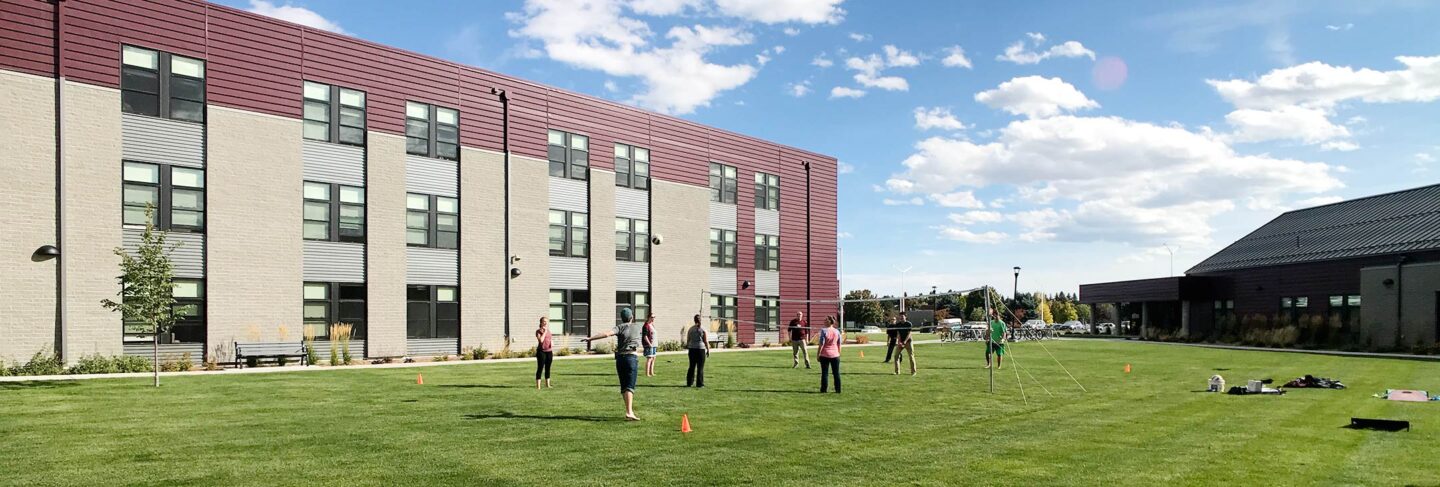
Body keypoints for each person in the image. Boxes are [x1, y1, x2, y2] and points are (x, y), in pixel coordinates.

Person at [583, 307, 644, 421]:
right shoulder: (636, 326)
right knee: (630, 386)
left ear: (622, 318)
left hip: (620, 358)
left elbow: (606, 334)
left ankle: (628, 410)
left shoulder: (619, 327)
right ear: (632, 317)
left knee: (624, 385)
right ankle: (629, 412)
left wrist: (590, 338)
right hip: (631, 357)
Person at [817, 316, 842, 393]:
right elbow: (839, 344)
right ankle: (838, 389)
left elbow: (821, 344)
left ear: (829, 322)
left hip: (825, 354)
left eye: (825, 320)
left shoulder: (824, 331)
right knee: (836, 373)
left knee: (825, 373)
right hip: (835, 355)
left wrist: (818, 354)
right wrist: (838, 353)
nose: (824, 321)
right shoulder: (837, 331)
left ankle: (824, 389)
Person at [685, 314, 710, 388]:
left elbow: (688, 340)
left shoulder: (690, 329)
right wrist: (708, 350)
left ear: (694, 320)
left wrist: (689, 346)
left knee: (691, 366)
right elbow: (705, 341)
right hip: (700, 349)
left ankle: (689, 382)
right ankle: (699, 383)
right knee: (700, 367)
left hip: (692, 349)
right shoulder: (703, 329)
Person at [892, 311, 916, 375]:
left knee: (911, 356)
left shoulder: (909, 324)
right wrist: (899, 342)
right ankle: (897, 372)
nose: (901, 317)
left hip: (908, 342)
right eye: (900, 316)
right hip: (901, 342)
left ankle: (913, 372)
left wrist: (905, 342)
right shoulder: (898, 325)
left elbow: (909, 334)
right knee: (896, 356)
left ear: (905, 317)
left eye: (902, 316)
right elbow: (898, 334)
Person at [535, 316, 554, 389]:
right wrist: (545, 332)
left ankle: (548, 385)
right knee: (540, 368)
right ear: (541, 322)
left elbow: (550, 339)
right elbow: (541, 340)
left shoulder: (549, 331)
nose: (545, 323)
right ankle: (538, 387)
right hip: (541, 352)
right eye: (544, 321)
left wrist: (552, 343)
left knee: (548, 368)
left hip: (549, 351)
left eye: (546, 321)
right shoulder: (538, 331)